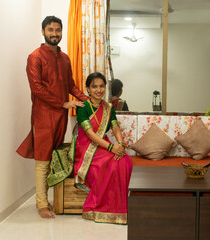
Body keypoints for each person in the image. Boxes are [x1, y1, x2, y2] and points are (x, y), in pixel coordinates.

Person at [16, 16, 88, 219]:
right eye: (50, 30)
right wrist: (63, 103)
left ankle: (50, 199)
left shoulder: (64, 58)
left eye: (57, 30)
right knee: (42, 159)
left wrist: (87, 100)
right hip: (43, 115)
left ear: (61, 31)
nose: (54, 33)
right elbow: (37, 89)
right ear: (43, 32)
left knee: (55, 157)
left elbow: (70, 85)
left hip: (61, 116)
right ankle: (41, 205)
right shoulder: (35, 57)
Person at [72, 72, 133, 224]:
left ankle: (120, 210)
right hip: (87, 148)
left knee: (124, 160)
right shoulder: (82, 107)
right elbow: (90, 134)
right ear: (88, 89)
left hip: (103, 144)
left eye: (101, 86)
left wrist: (120, 144)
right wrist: (112, 148)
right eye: (94, 87)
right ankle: (102, 208)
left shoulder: (108, 107)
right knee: (109, 162)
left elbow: (115, 126)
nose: (98, 90)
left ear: (105, 88)